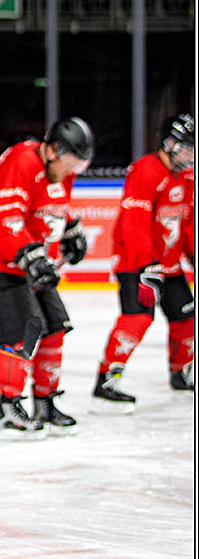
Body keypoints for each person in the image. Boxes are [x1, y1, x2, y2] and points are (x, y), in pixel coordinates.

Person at [0, 117, 95, 441]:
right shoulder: (23, 160)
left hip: (27, 262)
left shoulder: (59, 171)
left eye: (78, 167)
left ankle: (44, 402)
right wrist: (33, 255)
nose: (71, 172)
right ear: (52, 150)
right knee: (21, 334)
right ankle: (5, 408)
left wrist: (71, 231)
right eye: (69, 163)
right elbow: (8, 220)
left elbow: (54, 208)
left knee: (54, 327)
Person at [92, 113, 195, 413]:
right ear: (169, 143)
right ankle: (106, 379)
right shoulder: (146, 170)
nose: (191, 154)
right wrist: (145, 266)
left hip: (170, 265)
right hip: (137, 264)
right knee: (136, 320)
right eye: (187, 147)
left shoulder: (187, 176)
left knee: (185, 319)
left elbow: (186, 221)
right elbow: (133, 223)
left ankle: (181, 371)